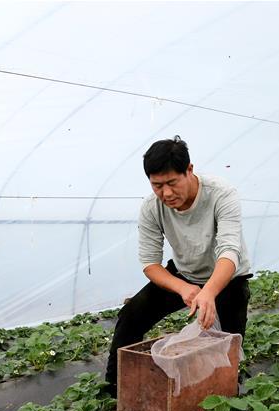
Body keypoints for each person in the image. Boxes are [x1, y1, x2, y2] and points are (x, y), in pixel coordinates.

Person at [104, 136, 252, 395]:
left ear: (190, 170)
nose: (166, 193)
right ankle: (113, 389)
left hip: (227, 278)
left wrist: (209, 292)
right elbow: (150, 263)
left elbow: (229, 251)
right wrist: (184, 288)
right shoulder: (152, 207)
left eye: (172, 183)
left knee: (227, 342)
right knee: (130, 318)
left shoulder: (221, 194)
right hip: (183, 273)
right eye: (157, 185)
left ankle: (227, 393)